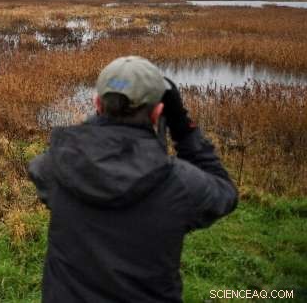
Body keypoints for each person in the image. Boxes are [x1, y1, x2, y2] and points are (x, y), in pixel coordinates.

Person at [28, 56, 237, 303]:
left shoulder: (57, 167)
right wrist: (184, 128)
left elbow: (38, 168)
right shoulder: (179, 183)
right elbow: (225, 193)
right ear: (158, 112)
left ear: (97, 104)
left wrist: (101, 122)